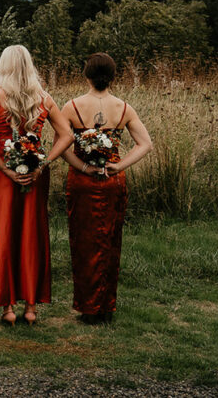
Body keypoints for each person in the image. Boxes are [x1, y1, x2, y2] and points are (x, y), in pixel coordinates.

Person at [0, 45, 73, 325]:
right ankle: (31, 307)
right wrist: (42, 165)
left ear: (3, 67)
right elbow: (66, 136)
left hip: (4, 175)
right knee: (33, 234)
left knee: (7, 233)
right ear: (29, 67)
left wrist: (4, 166)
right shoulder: (43, 98)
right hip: (35, 175)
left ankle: (7, 308)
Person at [60, 53, 152, 323]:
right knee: (110, 241)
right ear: (113, 76)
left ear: (86, 75)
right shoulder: (124, 108)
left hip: (82, 182)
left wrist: (85, 167)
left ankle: (88, 308)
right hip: (112, 181)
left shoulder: (71, 107)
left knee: (83, 242)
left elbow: (62, 146)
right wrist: (119, 166)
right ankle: (106, 307)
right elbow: (145, 144)